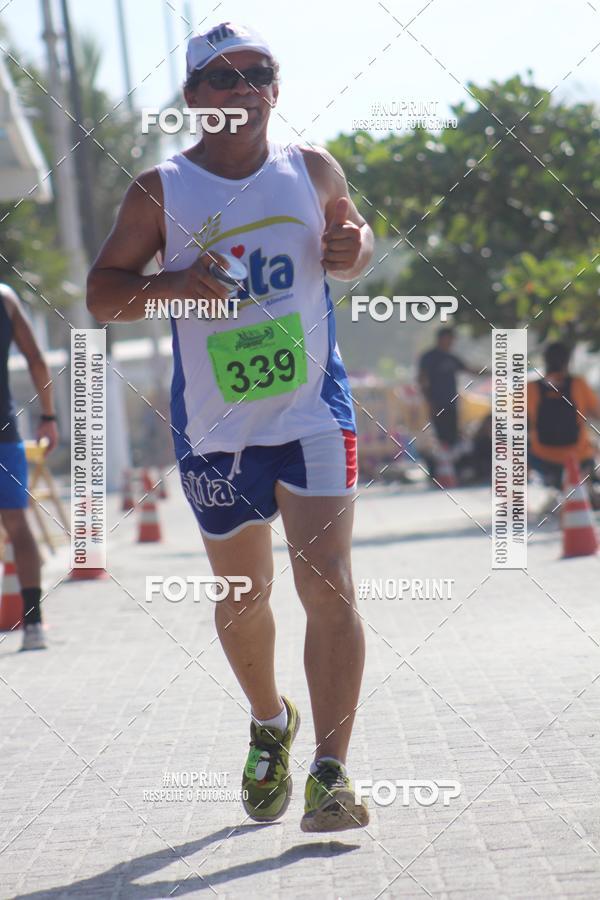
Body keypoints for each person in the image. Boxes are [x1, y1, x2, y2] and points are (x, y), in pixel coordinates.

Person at [87, 22, 374, 832]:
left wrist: (356, 246)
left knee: (329, 584)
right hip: (215, 429)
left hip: (314, 411)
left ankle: (331, 772)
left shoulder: (310, 168)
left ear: (275, 90)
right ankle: (269, 722)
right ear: (192, 99)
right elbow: (103, 296)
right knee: (243, 597)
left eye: (259, 73)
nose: (243, 89)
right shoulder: (160, 191)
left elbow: (352, 242)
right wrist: (175, 284)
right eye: (221, 78)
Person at [0, 284, 58, 650]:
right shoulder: (5, 297)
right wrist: (49, 416)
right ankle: (33, 624)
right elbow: (36, 358)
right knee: (18, 525)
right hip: (4, 433)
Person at [528, 342, 599, 494]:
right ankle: (587, 488)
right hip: (578, 457)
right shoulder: (578, 384)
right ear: (568, 361)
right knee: (592, 449)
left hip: (543, 457)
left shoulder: (530, 388)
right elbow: (596, 413)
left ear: (545, 361)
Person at [417, 327, 477, 448]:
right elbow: (422, 380)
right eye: (450, 339)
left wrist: (493, 370)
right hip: (437, 404)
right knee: (441, 438)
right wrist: (429, 402)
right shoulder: (429, 357)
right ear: (442, 338)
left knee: (453, 436)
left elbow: (469, 369)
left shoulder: (451, 358)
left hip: (452, 404)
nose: (451, 343)